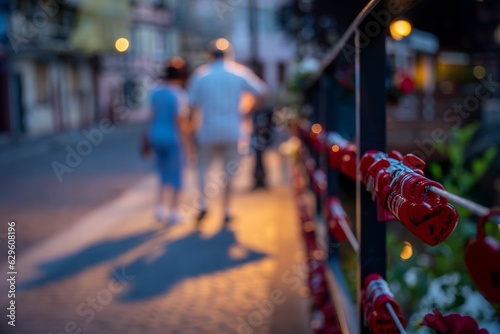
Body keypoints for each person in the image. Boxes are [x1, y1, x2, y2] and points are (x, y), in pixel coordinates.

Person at [188, 38, 268, 227]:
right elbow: (262, 91)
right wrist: (247, 112)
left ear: (210, 55)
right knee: (229, 172)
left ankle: (202, 205)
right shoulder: (239, 73)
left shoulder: (201, 75)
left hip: (207, 130)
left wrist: (192, 130)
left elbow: (191, 105)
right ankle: (226, 210)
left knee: (202, 169)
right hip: (233, 130)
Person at [148, 57, 192, 224]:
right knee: (176, 174)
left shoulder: (155, 92)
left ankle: (159, 208)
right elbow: (180, 121)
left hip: (156, 135)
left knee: (162, 173)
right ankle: (174, 211)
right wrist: (188, 146)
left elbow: (151, 116)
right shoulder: (178, 94)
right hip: (173, 137)